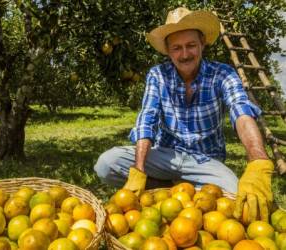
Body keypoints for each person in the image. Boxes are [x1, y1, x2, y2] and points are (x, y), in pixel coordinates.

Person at [94, 7, 274, 223]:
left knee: (239, 200)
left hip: (205, 161)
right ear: (168, 51)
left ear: (202, 44)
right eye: (177, 48)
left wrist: (258, 161)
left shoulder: (222, 74)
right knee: (107, 163)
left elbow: (241, 111)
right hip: (167, 155)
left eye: (191, 45)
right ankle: (166, 187)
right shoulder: (158, 75)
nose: (185, 54)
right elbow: (147, 119)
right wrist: (139, 169)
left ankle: (176, 188)